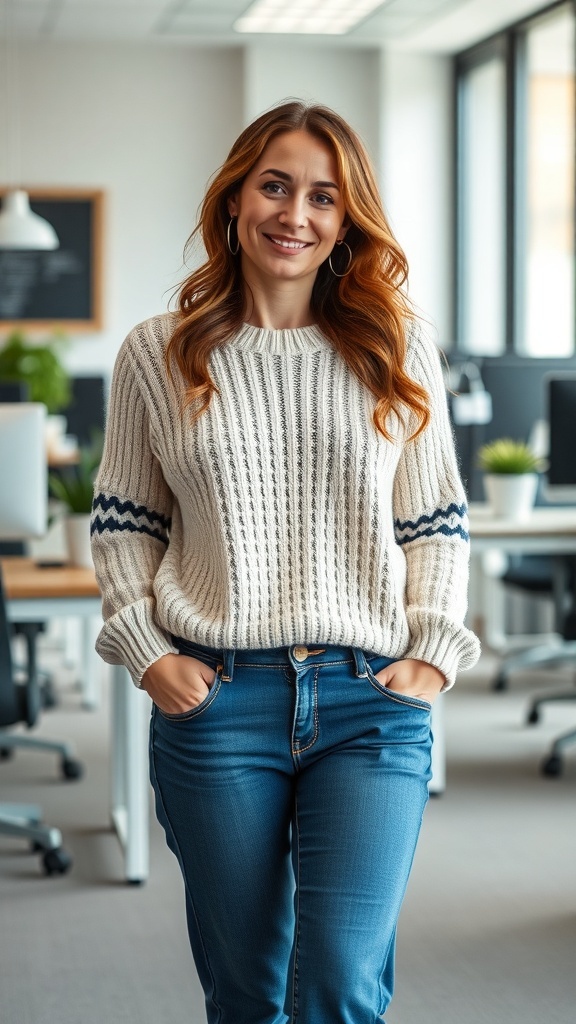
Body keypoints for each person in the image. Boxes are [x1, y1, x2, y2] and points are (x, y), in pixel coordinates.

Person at [91, 100, 480, 1024]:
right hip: (221, 701)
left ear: (347, 222)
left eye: (322, 196)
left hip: (369, 702)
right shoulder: (160, 352)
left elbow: (435, 519)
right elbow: (125, 522)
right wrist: (151, 652)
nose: (293, 214)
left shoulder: (395, 346)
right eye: (274, 185)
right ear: (235, 198)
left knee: (342, 980)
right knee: (249, 988)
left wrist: (428, 656)